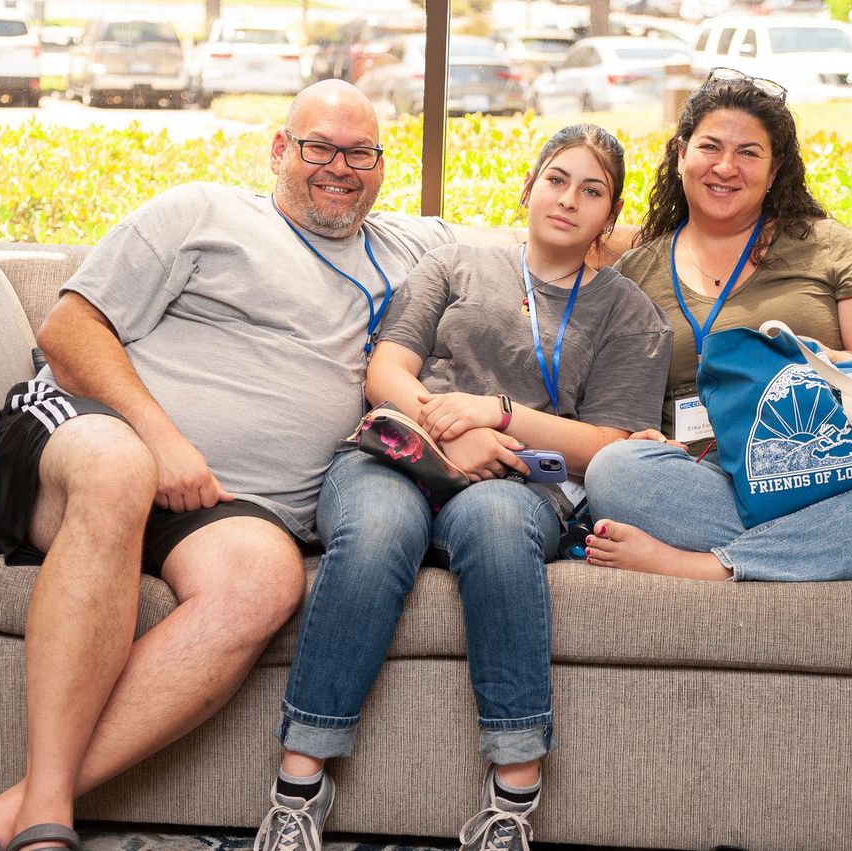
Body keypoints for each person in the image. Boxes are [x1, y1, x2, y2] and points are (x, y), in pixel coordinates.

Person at [0, 80, 462, 851]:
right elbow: (70, 331)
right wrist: (160, 437)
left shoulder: (416, 249)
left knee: (266, 577)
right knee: (119, 469)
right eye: (318, 147)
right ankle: (44, 823)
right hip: (92, 434)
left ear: (380, 164)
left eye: (361, 152)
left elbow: (554, 238)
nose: (340, 167)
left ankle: (18, 805)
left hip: (227, 507)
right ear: (278, 150)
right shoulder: (201, 212)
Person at [253, 125, 672, 851]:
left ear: (611, 214)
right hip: (399, 455)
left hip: (520, 484)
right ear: (529, 187)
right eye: (557, 178)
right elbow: (387, 371)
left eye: (592, 190)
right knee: (378, 528)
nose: (569, 199)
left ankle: (511, 799)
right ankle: (297, 793)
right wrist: (452, 432)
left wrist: (499, 417)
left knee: (496, 527)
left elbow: (609, 445)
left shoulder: (629, 313)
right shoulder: (456, 264)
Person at [583, 68, 852, 583]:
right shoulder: (637, 270)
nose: (726, 167)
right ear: (681, 154)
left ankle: (712, 565)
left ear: (774, 172)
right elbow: (611, 401)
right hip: (709, 477)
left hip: (831, 470)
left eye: (749, 153)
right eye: (710, 147)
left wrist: (838, 363)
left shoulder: (825, 246)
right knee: (615, 470)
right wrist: (642, 436)